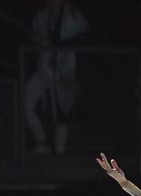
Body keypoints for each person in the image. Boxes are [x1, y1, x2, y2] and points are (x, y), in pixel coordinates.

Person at [24, 0, 89, 155]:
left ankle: (60, 150)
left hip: (64, 70)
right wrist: (40, 40)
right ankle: (42, 141)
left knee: (61, 107)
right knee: (27, 103)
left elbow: (81, 34)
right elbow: (35, 36)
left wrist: (57, 45)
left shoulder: (72, 17)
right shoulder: (42, 17)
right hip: (44, 68)